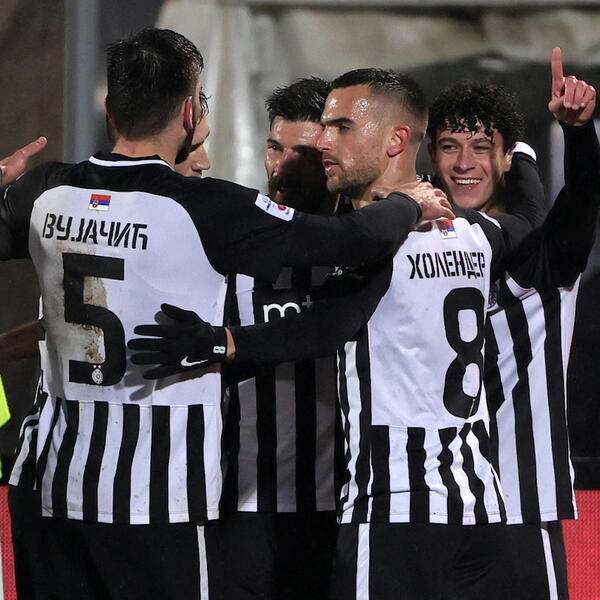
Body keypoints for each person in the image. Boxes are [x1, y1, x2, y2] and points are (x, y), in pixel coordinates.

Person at [3, 28, 453, 600]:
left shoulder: (43, 189)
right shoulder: (207, 207)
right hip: (150, 494)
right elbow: (349, 242)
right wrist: (407, 202)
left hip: (48, 482)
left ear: (111, 107)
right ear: (191, 112)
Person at [130, 67, 552, 599]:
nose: (323, 144)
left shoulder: (377, 245)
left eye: (341, 128)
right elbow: (531, 216)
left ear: (395, 140)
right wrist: (524, 153)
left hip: (397, 505)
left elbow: (328, 324)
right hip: (478, 502)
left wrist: (222, 342)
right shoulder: (471, 232)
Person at [427, 48, 598, 599]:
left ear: (504, 159)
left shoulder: (541, 255)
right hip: (429, 503)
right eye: (450, 146)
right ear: (430, 156)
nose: (464, 162)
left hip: (521, 505)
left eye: (482, 147)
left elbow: (582, 204)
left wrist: (578, 134)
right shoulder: (407, 248)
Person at [219, 77, 342, 600]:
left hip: (341, 506)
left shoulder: (371, 246)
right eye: (274, 148)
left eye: (301, 154)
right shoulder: (230, 247)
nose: (281, 167)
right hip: (245, 504)